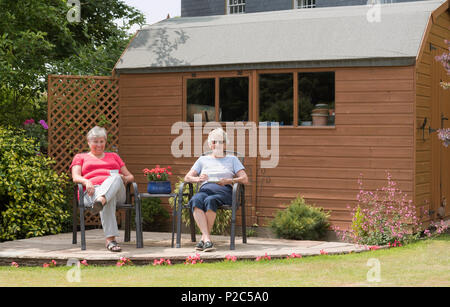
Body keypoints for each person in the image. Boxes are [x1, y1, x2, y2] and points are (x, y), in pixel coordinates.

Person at [70, 126, 134, 252]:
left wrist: (124, 179)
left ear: (105, 142)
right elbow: (75, 177)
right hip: (91, 192)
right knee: (107, 199)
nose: (99, 145)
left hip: (116, 190)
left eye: (102, 141)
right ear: (88, 142)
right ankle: (111, 241)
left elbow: (131, 176)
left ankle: (101, 199)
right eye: (95, 141)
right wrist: (86, 181)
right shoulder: (80, 157)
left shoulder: (114, 156)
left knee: (115, 177)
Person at [184, 128, 248, 252]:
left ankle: (204, 240)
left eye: (220, 141)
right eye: (214, 141)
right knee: (195, 199)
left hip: (224, 191)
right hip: (205, 189)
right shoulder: (202, 159)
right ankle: (207, 239)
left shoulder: (232, 159)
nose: (216, 144)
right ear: (210, 144)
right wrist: (198, 179)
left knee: (210, 200)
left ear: (225, 144)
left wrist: (229, 181)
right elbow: (187, 177)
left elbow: (244, 179)